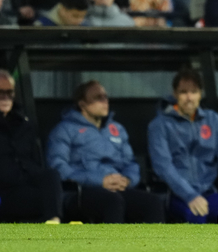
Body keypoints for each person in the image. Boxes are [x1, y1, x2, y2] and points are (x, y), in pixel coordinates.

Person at [47, 81, 164, 224]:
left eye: (106, 97)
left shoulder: (117, 128)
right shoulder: (64, 130)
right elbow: (58, 167)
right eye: (98, 98)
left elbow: (131, 163)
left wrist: (127, 180)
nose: (105, 101)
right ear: (82, 104)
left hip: (117, 188)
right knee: (113, 200)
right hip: (81, 192)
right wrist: (99, 181)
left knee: (153, 202)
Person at [148, 69, 218, 223]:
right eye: (183, 92)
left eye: (193, 92)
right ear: (175, 94)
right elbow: (163, 166)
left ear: (200, 94)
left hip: (209, 192)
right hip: (177, 195)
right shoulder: (160, 125)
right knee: (196, 216)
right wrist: (190, 196)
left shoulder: (213, 120)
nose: (189, 97)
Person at [0, 69, 63, 223]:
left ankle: (53, 225)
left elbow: (35, 160)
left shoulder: (23, 122)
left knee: (51, 176)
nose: (5, 97)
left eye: (9, 92)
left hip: (26, 184)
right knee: (47, 202)